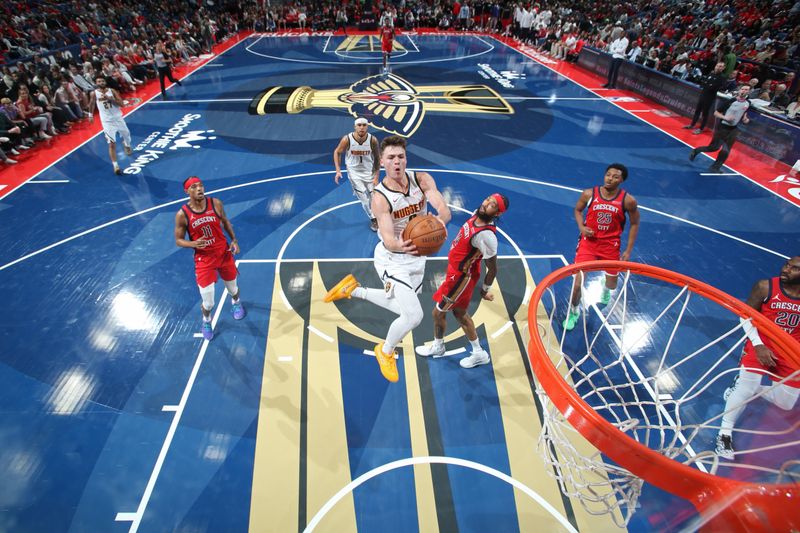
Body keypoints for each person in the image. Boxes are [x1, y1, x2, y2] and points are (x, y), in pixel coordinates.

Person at [323, 136, 452, 383]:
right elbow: (389, 238)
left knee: (400, 307)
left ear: (406, 158)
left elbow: (444, 210)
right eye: (391, 157)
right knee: (414, 316)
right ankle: (385, 352)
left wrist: (437, 226)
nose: (397, 162)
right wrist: (411, 243)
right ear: (381, 161)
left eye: (401, 157)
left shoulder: (422, 180)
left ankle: (354, 289)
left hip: (417, 259)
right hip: (392, 260)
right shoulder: (380, 197)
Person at [715, 256, 800, 459]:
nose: (786, 269)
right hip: (760, 343)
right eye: (787, 264)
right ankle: (724, 434)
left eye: (794, 268)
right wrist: (758, 344)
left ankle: (742, 389)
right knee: (747, 387)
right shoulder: (765, 287)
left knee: (785, 403)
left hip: (789, 349)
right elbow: (745, 315)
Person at [415, 193, 509, 368]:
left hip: (460, 277)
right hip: (456, 271)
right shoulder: (477, 214)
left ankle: (438, 346)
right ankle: (478, 352)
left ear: (497, 213)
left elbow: (493, 267)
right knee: (459, 313)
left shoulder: (487, 236)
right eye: (488, 199)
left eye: (493, 205)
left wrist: (484, 290)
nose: (487, 203)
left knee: (437, 312)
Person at [563, 163, 640, 331]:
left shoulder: (628, 200)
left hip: (610, 246)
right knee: (577, 284)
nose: (610, 178)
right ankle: (573, 311)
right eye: (608, 175)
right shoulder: (589, 193)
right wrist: (581, 227)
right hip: (588, 244)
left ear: (621, 181)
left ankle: (605, 289)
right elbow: (577, 210)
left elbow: (634, 223)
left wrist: (628, 250)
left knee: (612, 284)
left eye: (615, 177)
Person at [174, 176, 246, 341]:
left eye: (200, 186)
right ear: (187, 191)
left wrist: (234, 240)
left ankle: (236, 303)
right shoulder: (182, 214)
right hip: (204, 260)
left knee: (233, 289)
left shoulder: (216, 203)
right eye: (194, 187)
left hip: (223, 253)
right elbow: (178, 240)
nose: (199, 189)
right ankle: (206, 320)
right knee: (209, 303)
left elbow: (226, 222)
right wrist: (193, 243)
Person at [689, 84, 751, 172]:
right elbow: (716, 113)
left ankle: (715, 167)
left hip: (733, 129)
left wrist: (745, 119)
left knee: (726, 150)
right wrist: (725, 118)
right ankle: (696, 151)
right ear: (739, 90)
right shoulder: (731, 101)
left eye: (746, 90)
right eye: (742, 89)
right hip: (722, 127)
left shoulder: (748, 103)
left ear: (749, 92)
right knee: (714, 147)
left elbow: (744, 111)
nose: (744, 91)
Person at [333, 117, 381, 231]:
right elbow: (337, 152)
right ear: (355, 127)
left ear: (367, 127)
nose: (361, 127)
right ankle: (373, 219)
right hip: (354, 174)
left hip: (369, 172)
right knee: (364, 199)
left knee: (373, 197)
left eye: (364, 125)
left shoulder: (372, 140)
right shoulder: (347, 139)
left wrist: (376, 177)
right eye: (359, 125)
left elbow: (377, 158)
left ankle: (379, 215)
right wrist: (338, 170)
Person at [88, 75, 132, 175]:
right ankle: (115, 166)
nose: (101, 83)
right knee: (111, 144)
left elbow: (122, 104)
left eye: (102, 81)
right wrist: (90, 115)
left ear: (105, 82)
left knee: (127, 135)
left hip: (118, 118)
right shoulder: (94, 93)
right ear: (96, 83)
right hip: (107, 121)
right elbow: (91, 104)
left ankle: (127, 144)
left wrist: (110, 99)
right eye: (99, 81)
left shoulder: (112, 91)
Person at [683, 62, 728, 135]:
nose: (718, 67)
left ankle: (701, 129)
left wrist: (710, 86)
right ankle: (692, 125)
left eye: (720, 66)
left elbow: (721, 87)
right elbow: (704, 83)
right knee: (697, 111)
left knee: (705, 113)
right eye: (717, 65)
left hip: (709, 97)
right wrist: (708, 85)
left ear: (723, 68)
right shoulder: (711, 74)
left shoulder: (722, 77)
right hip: (703, 94)